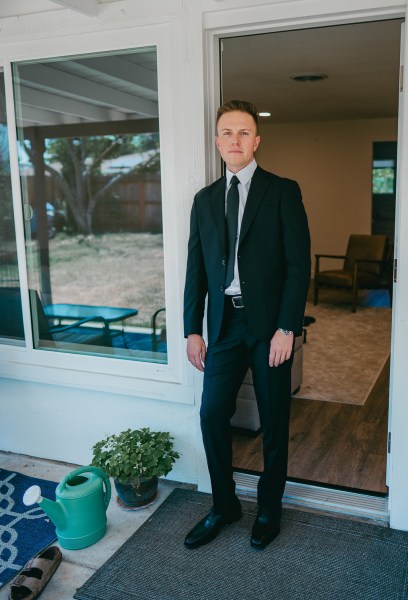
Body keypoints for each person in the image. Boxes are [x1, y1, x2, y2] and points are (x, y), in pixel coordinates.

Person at [183, 100, 311, 550]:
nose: (234, 140)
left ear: (256, 141)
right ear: (217, 142)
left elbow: (298, 267)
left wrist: (287, 327)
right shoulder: (203, 201)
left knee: (275, 418)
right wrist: (191, 329)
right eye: (226, 133)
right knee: (212, 413)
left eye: (243, 133)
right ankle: (224, 505)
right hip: (221, 326)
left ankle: (269, 508)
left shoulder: (282, 191)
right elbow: (195, 268)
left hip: (268, 327)